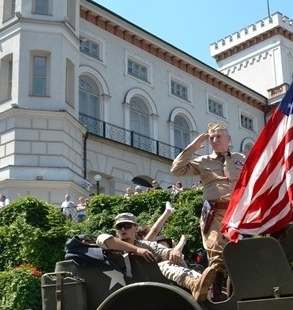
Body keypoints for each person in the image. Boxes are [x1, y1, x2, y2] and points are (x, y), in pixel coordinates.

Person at [171, 123, 245, 301]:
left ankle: (234, 301)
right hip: (214, 215)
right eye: (211, 137)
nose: (214, 140)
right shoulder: (203, 161)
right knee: (218, 258)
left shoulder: (241, 158)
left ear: (229, 139)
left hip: (237, 214)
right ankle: (214, 299)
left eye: (219, 136)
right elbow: (176, 169)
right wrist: (194, 147)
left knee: (237, 259)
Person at [96, 213, 215, 301]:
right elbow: (102, 239)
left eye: (127, 226)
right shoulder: (112, 245)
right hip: (127, 291)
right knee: (163, 266)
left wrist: (172, 253)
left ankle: (203, 286)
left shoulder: (145, 245)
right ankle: (195, 284)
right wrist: (136, 250)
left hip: (147, 286)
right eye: (119, 227)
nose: (122, 229)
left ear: (135, 228)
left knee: (173, 262)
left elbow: (162, 251)